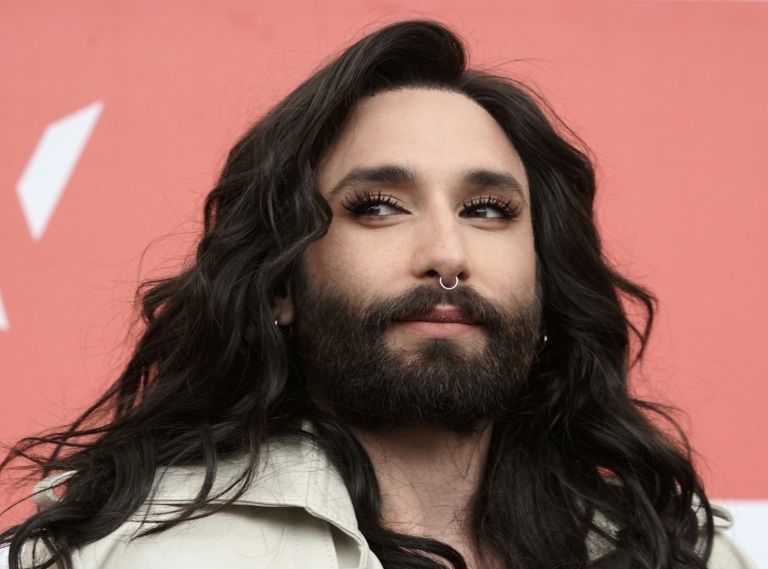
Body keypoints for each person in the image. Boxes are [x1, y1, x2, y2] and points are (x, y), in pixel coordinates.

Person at [0, 19, 757, 569]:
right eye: (380, 207)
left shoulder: (677, 551)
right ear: (281, 284)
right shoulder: (131, 553)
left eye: (487, 210)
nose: (447, 254)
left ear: (545, 275)